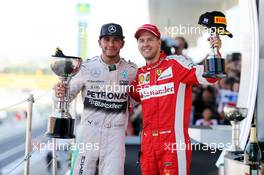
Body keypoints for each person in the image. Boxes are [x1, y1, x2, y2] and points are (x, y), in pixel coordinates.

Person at [130, 24, 222, 175]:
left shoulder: (175, 64)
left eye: (150, 39)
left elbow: (211, 77)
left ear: (159, 42)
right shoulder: (139, 74)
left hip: (172, 143)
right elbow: (126, 101)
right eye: (141, 40)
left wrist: (215, 52)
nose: (145, 44)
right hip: (147, 145)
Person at [54, 23, 137, 175]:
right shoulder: (86, 68)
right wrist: (59, 92)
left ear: (122, 44)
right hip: (88, 133)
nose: (111, 44)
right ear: (100, 42)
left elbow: (137, 98)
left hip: (115, 135)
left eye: (115, 40)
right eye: (106, 39)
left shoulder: (132, 71)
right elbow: (65, 97)